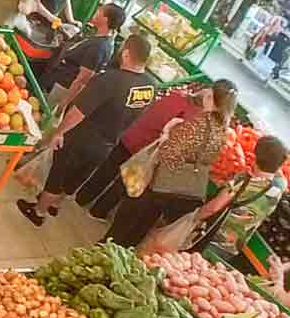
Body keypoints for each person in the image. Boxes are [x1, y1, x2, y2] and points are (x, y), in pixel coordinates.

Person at [17, 34, 157, 225]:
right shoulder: (150, 86)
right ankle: (55, 205)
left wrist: (59, 132)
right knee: (75, 178)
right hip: (108, 143)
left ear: (126, 54)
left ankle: (38, 212)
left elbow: (79, 112)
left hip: (81, 137)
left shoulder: (110, 79)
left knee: (58, 175)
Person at [78, 79, 235, 220]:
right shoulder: (195, 117)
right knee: (124, 183)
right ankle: (98, 211)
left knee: (108, 169)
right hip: (144, 148)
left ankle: (82, 197)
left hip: (132, 135)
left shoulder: (176, 95)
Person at [103, 97, 231, 247]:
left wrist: (166, 135)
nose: (205, 98)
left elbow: (171, 153)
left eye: (209, 96)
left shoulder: (199, 124)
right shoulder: (220, 132)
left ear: (214, 101)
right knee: (145, 221)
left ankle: (107, 246)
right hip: (173, 188)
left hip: (158, 179)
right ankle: (125, 249)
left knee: (130, 213)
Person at [201, 135, 289, 261]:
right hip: (232, 247)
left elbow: (213, 208)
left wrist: (193, 218)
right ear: (280, 165)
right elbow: (278, 174)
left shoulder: (243, 181)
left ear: (255, 155)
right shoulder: (279, 187)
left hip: (211, 239)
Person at [38, 2, 126, 109]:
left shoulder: (99, 47)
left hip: (62, 87)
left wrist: (63, 104)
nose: (95, 12)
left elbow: (82, 79)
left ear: (105, 19)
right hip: (57, 79)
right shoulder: (99, 38)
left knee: (43, 111)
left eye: (99, 11)